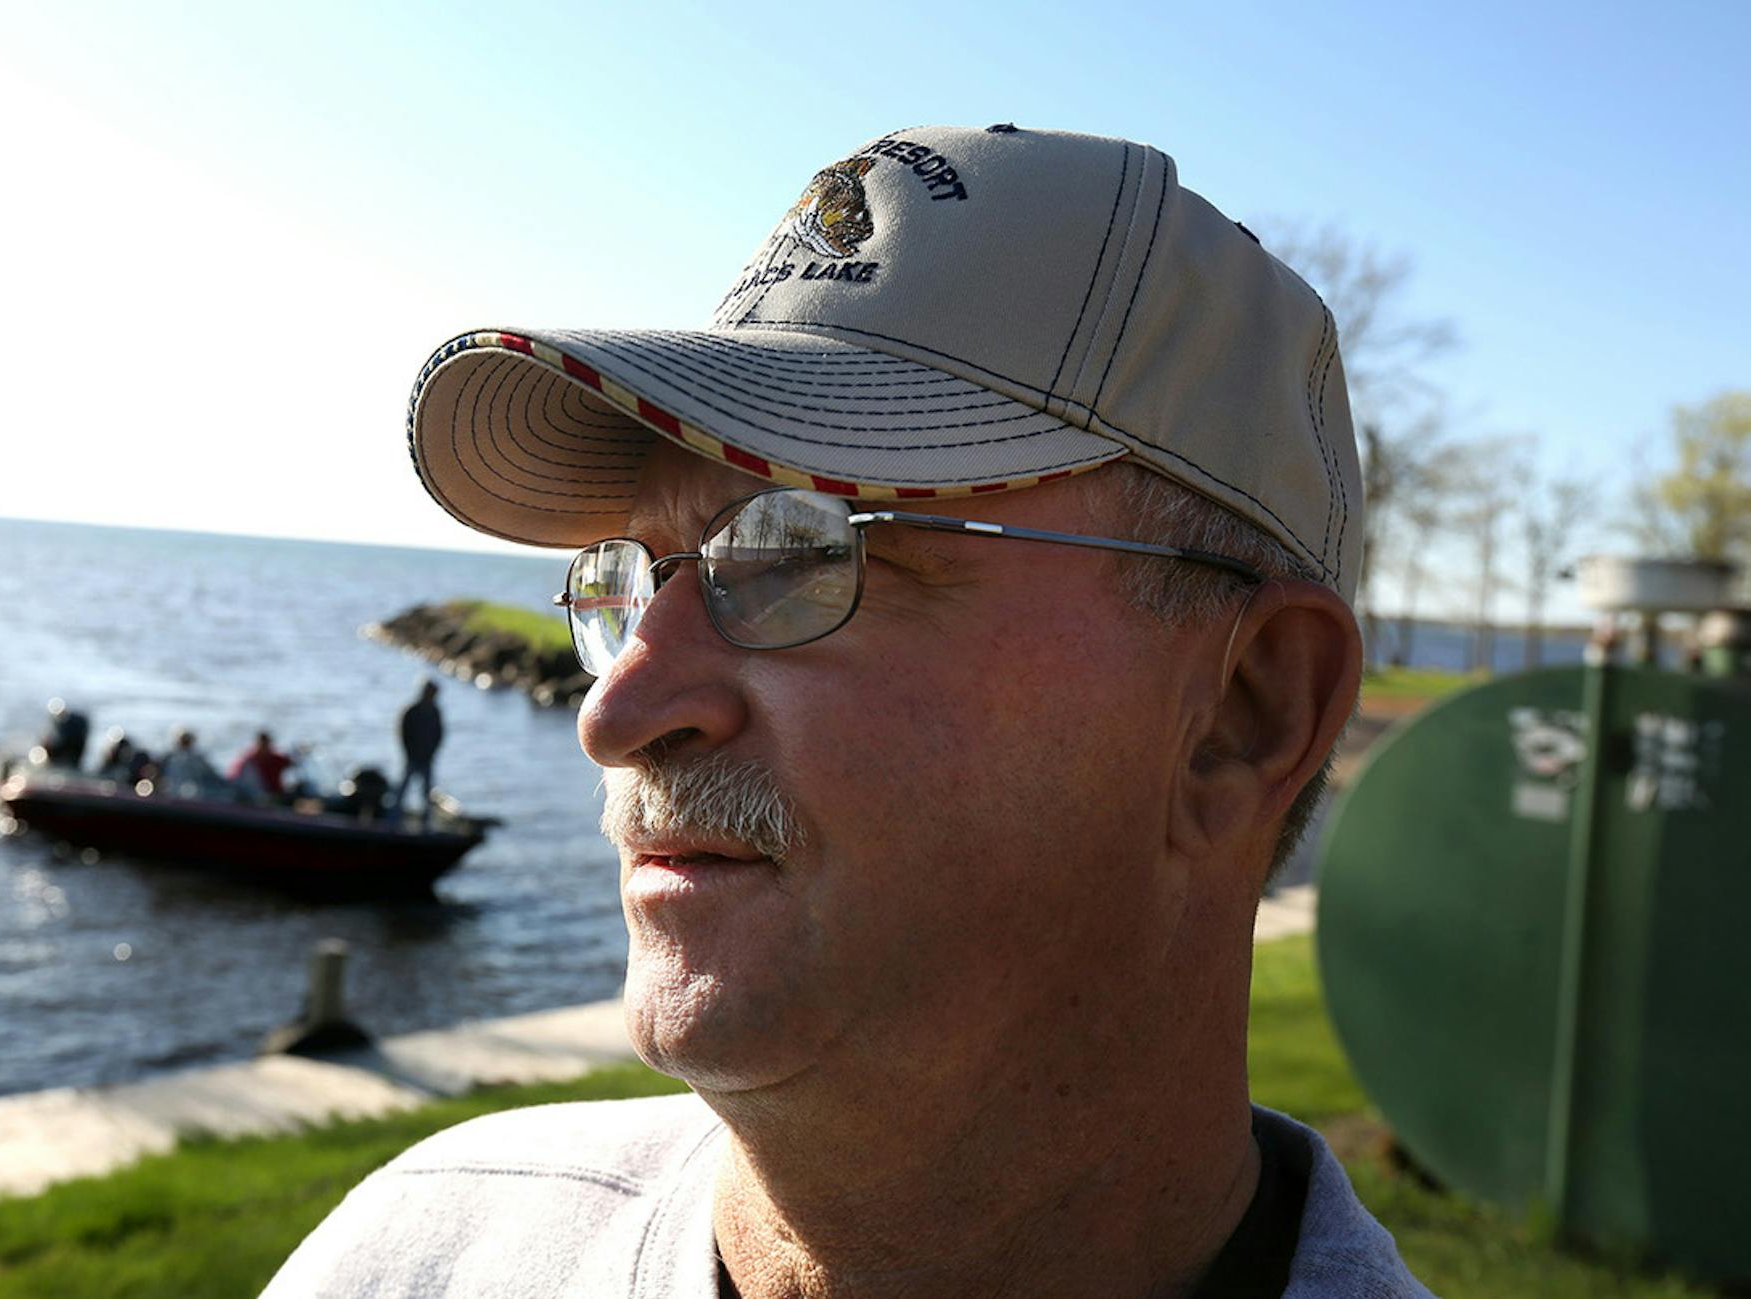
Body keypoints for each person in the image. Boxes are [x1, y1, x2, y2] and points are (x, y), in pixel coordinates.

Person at [265, 126, 1425, 1297]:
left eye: (797, 553)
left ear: (1243, 715)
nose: (615, 713)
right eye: (632, 577)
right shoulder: (415, 1254)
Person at [396, 680, 443, 816]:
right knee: (402, 789)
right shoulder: (412, 711)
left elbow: (439, 734)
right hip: (412, 757)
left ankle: (426, 823)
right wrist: (409, 753)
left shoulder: (435, 712)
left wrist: (432, 752)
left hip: (427, 758)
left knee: (426, 792)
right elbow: (404, 733)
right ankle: (392, 820)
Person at [228, 730, 295, 803]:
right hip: (260, 797)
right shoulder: (249, 760)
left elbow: (292, 762)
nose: (264, 748)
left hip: (275, 793)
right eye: (262, 744)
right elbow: (234, 777)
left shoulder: (276, 758)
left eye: (266, 744)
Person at [157, 727, 224, 800]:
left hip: (173, 794)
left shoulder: (169, 757)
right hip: (191, 795)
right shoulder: (196, 758)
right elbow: (212, 774)